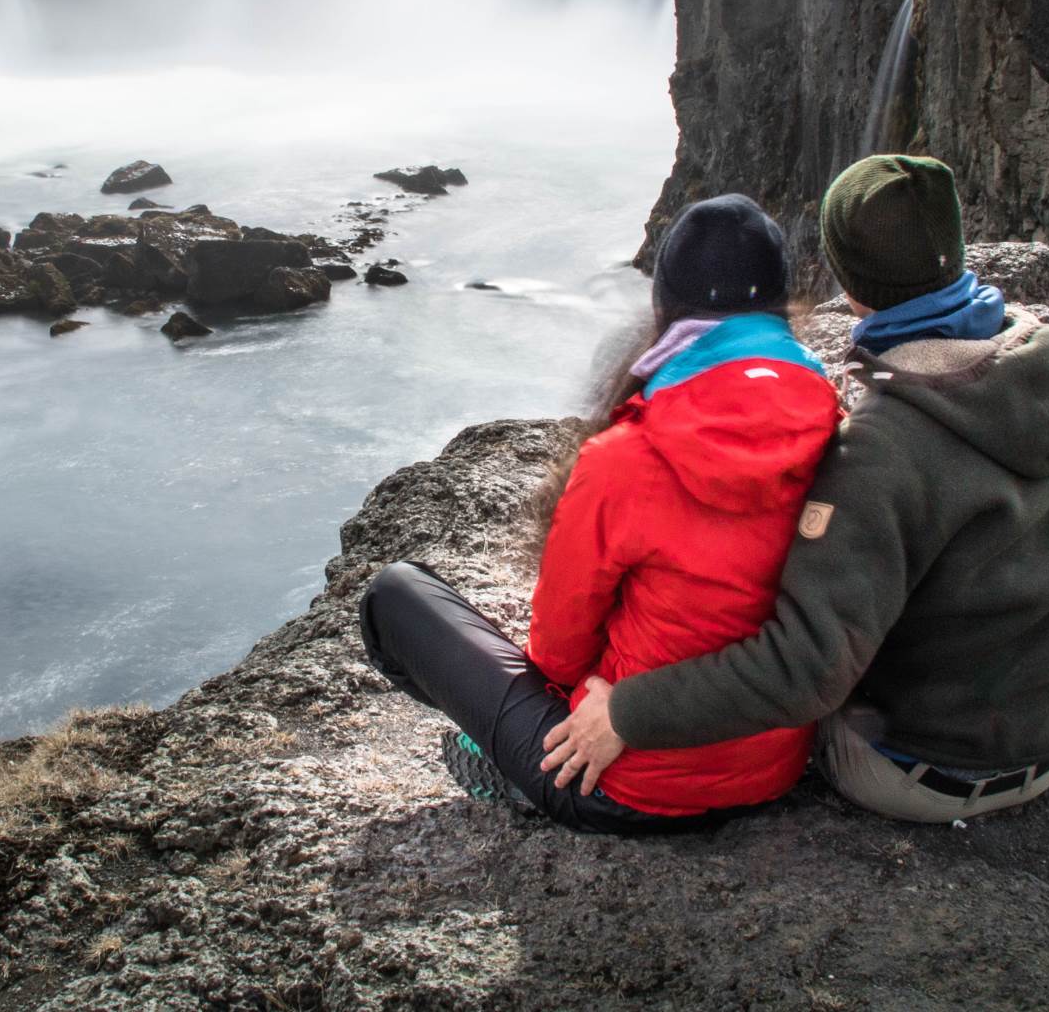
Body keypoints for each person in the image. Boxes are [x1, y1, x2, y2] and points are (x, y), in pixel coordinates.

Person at [541, 155, 1049, 824]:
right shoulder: (1045, 361)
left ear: (851, 284)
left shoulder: (883, 445)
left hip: (922, 770)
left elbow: (807, 669)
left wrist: (628, 712)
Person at [358, 194, 842, 833]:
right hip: (775, 767)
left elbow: (557, 655)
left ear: (664, 304)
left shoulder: (628, 455)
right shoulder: (834, 426)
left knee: (395, 596)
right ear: (782, 299)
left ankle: (505, 767)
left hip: (621, 782)